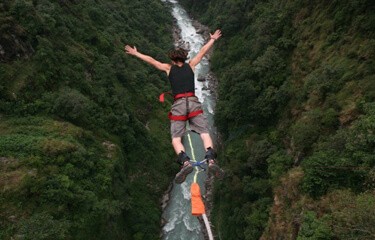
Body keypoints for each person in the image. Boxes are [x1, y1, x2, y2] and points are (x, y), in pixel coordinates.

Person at [125, 29, 224, 184]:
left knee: (176, 138)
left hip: (178, 106)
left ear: (172, 60)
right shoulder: (191, 65)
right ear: (184, 58)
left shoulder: (168, 68)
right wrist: (212, 39)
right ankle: (211, 160)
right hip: (193, 103)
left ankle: (185, 162)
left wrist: (136, 53)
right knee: (204, 132)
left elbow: (151, 61)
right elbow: (203, 51)